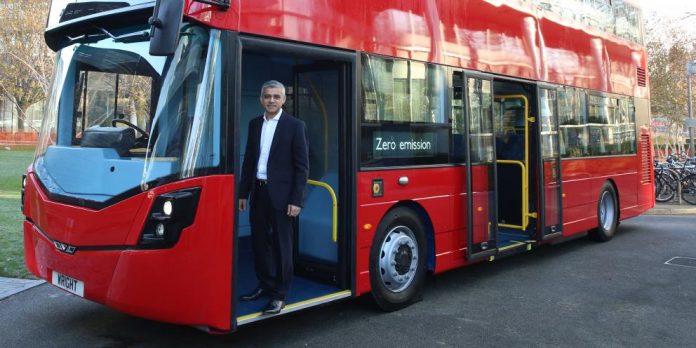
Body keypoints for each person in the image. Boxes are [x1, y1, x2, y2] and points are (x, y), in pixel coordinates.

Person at [238, 80, 309, 315]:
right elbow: (249, 160)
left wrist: (296, 200)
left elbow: (302, 167)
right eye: (267, 96)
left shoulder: (295, 126)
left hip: (283, 196)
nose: (271, 100)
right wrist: (243, 193)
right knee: (260, 244)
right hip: (258, 192)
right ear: (261, 99)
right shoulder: (254, 124)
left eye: (276, 96)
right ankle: (265, 284)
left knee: (282, 245)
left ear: (283, 99)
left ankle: (280, 294)